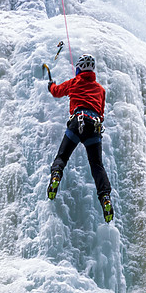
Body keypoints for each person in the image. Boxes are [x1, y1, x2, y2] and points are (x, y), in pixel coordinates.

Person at [43, 53, 114, 223]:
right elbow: (101, 114)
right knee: (97, 166)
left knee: (62, 156)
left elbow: (57, 92)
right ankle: (105, 198)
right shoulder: (100, 90)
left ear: (79, 68)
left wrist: (51, 85)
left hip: (77, 123)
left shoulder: (74, 82)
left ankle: (56, 176)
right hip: (94, 128)